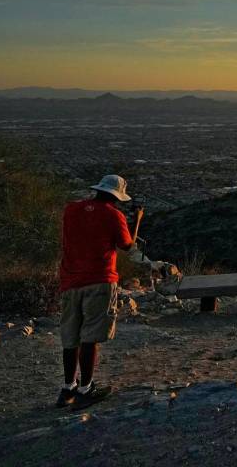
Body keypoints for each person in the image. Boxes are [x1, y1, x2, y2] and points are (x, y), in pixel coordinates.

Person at [56, 174, 158, 409]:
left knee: (71, 337)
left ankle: (67, 388)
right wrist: (138, 220)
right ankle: (86, 389)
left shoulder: (71, 210)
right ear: (117, 196)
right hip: (100, 280)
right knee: (90, 336)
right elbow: (127, 246)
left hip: (70, 280)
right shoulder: (114, 215)